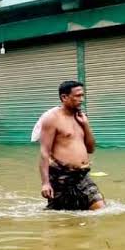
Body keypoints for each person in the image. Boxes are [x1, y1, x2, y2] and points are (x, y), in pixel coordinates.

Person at [39, 81, 105, 211]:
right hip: (61, 178)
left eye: (83, 95)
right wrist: (45, 183)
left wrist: (86, 125)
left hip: (82, 176)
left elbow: (91, 149)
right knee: (60, 218)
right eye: (78, 96)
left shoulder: (81, 117)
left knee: (102, 210)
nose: (82, 99)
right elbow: (44, 152)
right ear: (64, 97)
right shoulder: (51, 119)